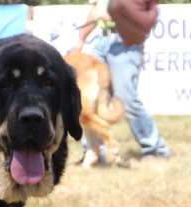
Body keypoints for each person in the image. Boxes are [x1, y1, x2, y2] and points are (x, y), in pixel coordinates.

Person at [73, 0, 170, 161]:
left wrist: (118, 18)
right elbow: (97, 9)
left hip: (125, 43)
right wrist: (81, 38)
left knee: (126, 98)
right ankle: (94, 152)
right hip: (102, 42)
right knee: (89, 102)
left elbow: (144, 14)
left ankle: (155, 148)